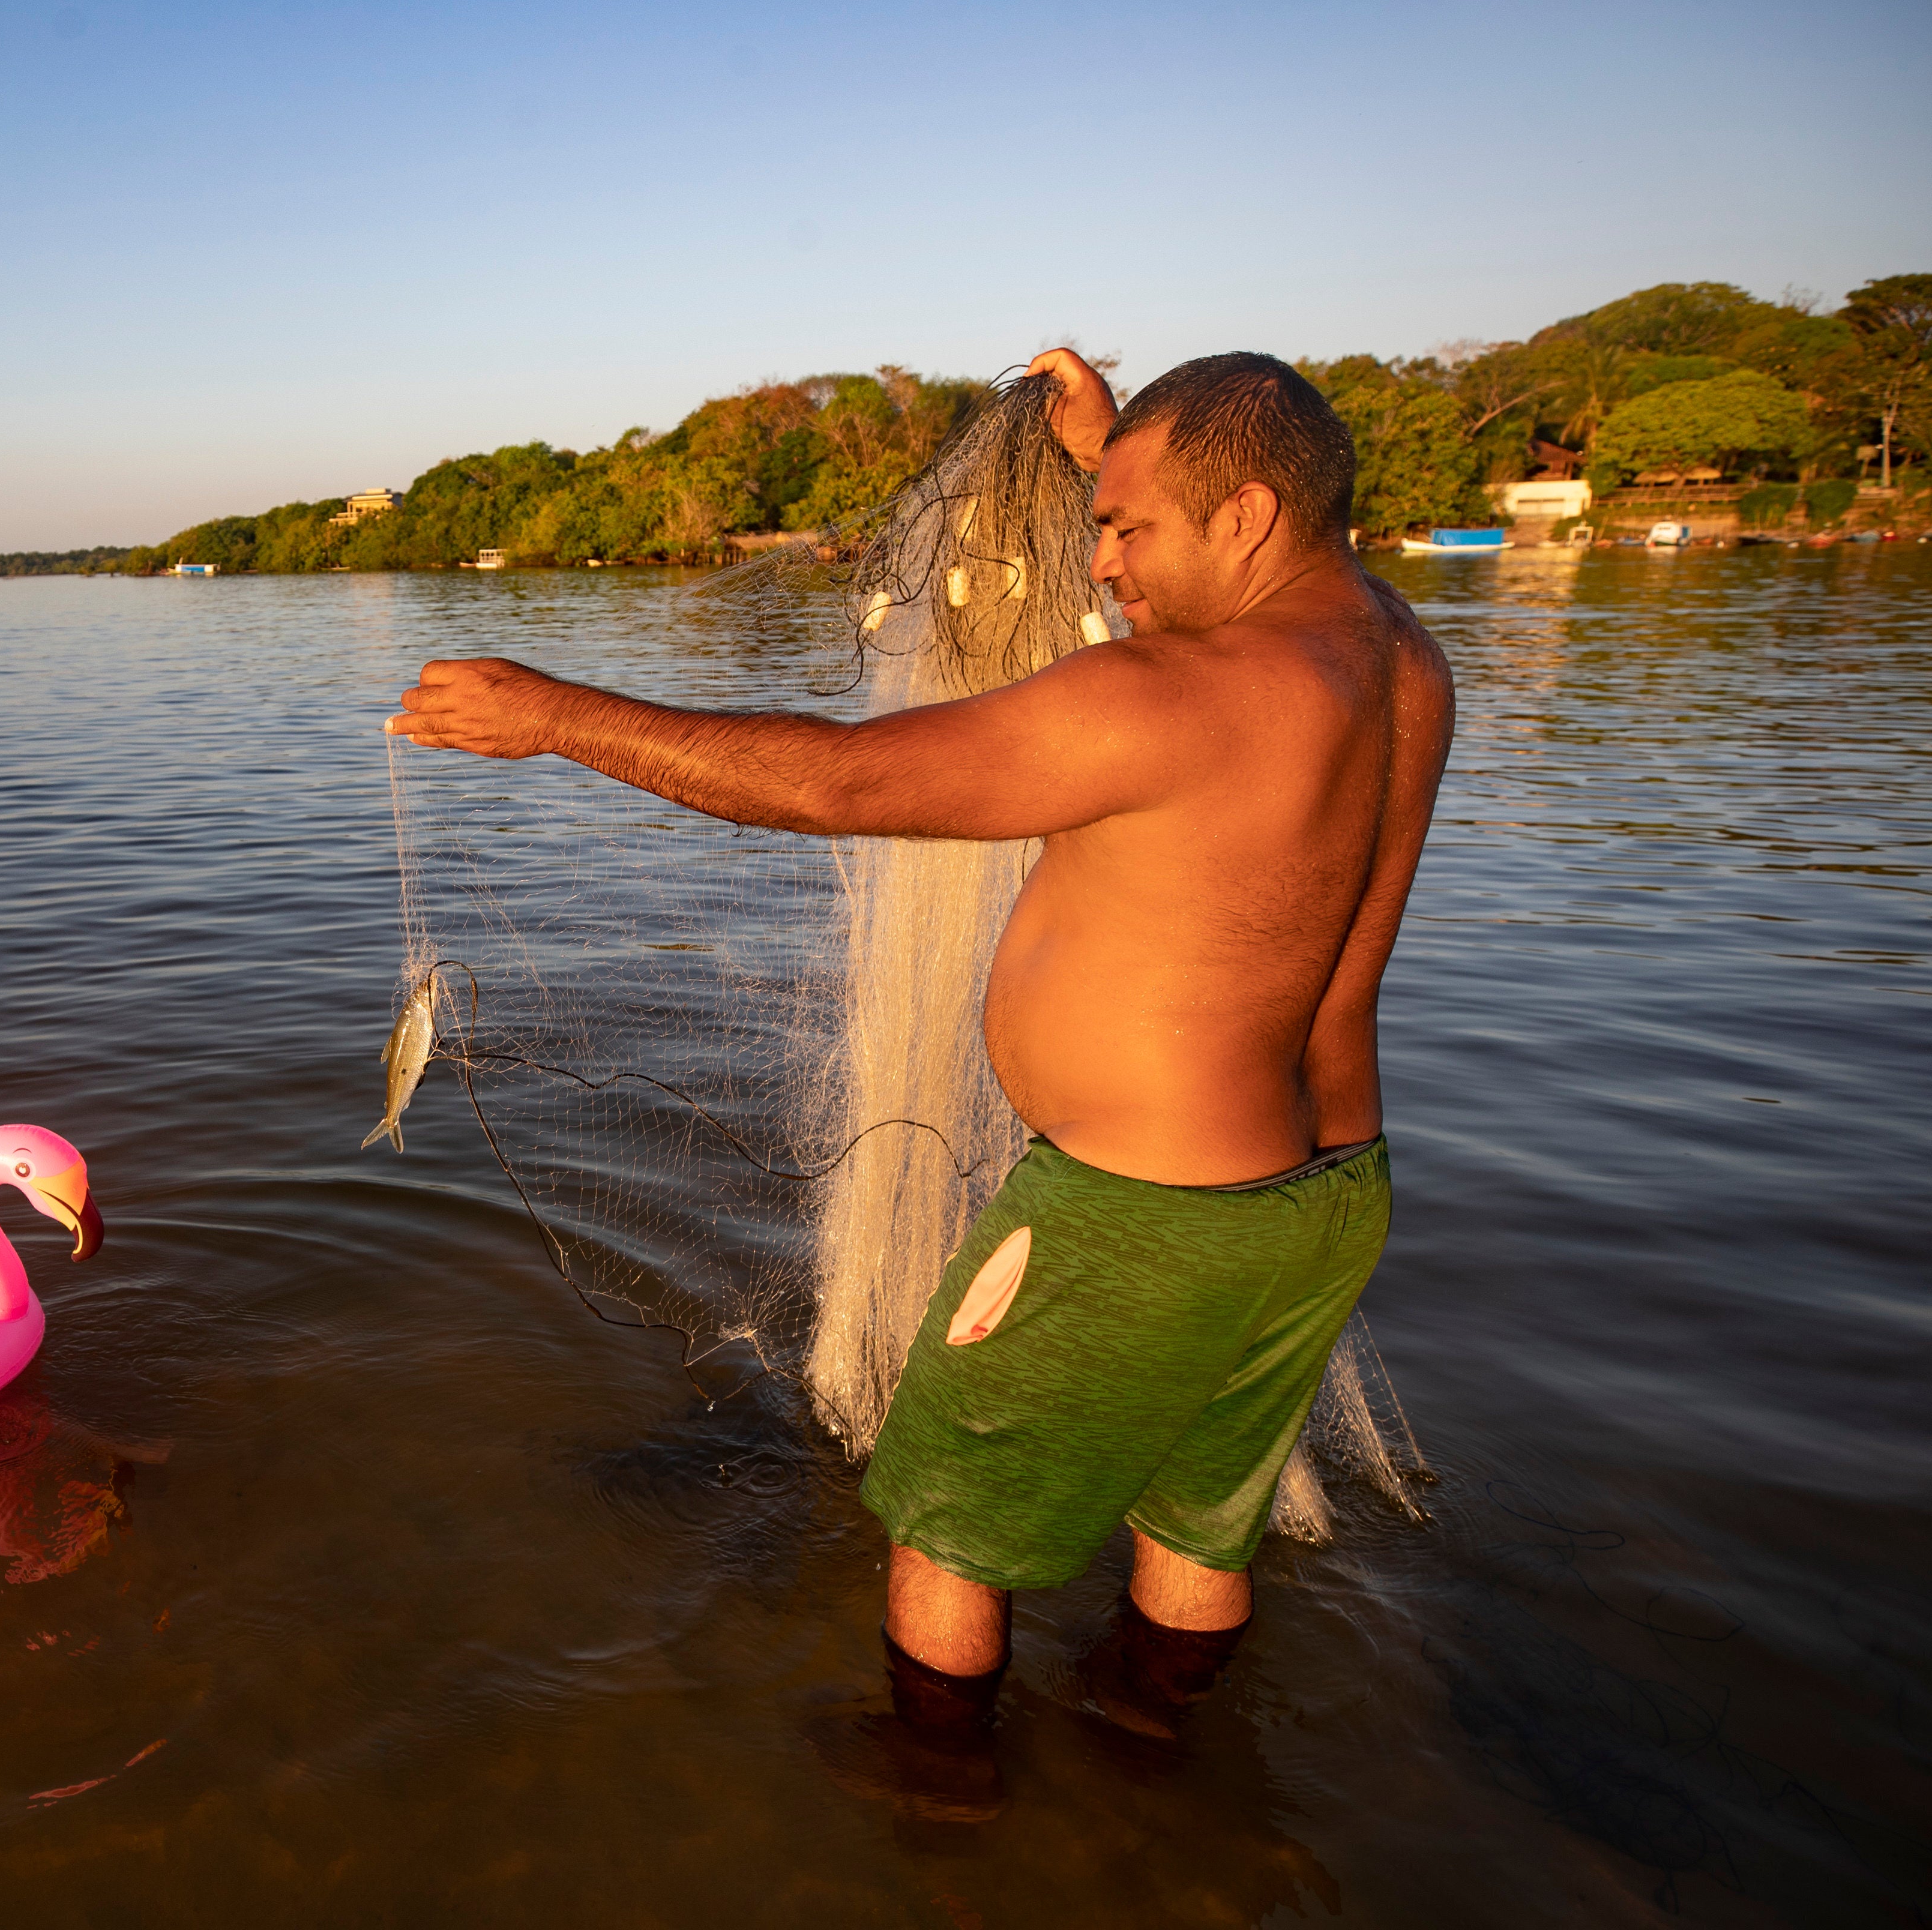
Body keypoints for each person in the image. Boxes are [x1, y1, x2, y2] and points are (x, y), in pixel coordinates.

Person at [386, 349, 1454, 1763]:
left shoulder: (1169, 695)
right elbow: (1223, 531)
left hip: (1137, 1216)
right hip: (1320, 1198)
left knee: (939, 1524)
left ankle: (936, 1792)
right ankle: (1148, 1754)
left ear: (1245, 516)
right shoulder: (1394, 650)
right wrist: (1105, 452)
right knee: (1196, 1520)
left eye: (1128, 528)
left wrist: (556, 715)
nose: (1106, 561)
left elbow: (836, 782)